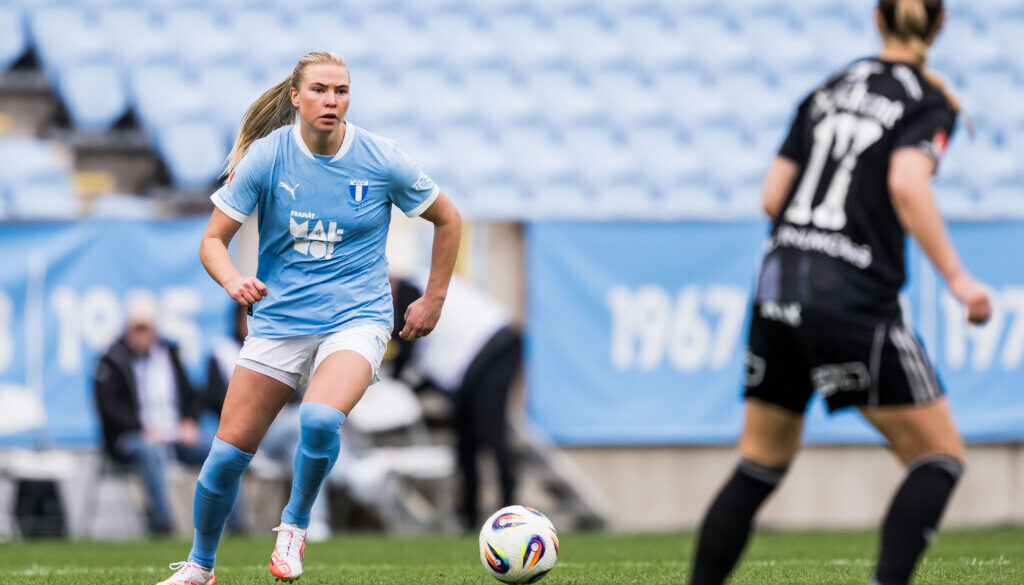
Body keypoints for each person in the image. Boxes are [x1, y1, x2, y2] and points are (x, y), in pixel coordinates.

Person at [687, 2, 992, 585]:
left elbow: (772, 197)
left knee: (758, 463)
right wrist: (958, 278)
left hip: (778, 284)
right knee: (938, 458)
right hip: (849, 292)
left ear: (877, 21)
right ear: (940, 25)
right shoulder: (927, 100)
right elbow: (907, 182)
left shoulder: (826, 88)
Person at [155, 50, 461, 585]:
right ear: (296, 97)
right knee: (225, 458)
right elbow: (212, 242)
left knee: (319, 419)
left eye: (340, 91)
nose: (332, 101)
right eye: (320, 90)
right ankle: (200, 567)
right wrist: (234, 281)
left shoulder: (381, 157)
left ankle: (294, 526)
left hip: (357, 317)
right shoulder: (268, 158)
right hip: (280, 320)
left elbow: (448, 218)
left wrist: (433, 298)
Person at [389, 272, 521, 532]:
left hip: (491, 346)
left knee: (491, 431)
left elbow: (406, 343)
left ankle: (510, 509)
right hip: (471, 360)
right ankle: (469, 515)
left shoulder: (408, 289)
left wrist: (394, 376)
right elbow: (423, 360)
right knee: (466, 439)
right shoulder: (412, 286)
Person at [206, 303, 332, 542]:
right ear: (236, 320)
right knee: (307, 426)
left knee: (301, 445)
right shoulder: (222, 352)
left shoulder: (278, 349)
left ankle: (311, 520)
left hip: (281, 431)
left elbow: (296, 391)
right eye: (249, 316)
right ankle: (345, 477)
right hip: (246, 432)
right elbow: (213, 400)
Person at [93, 294, 207, 536]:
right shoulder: (112, 359)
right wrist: (141, 427)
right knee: (150, 450)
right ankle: (162, 523)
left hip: (173, 434)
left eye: (146, 328)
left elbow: (193, 394)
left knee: (217, 450)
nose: (142, 335)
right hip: (132, 438)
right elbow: (108, 407)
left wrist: (190, 420)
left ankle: (231, 524)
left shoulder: (170, 354)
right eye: (137, 328)